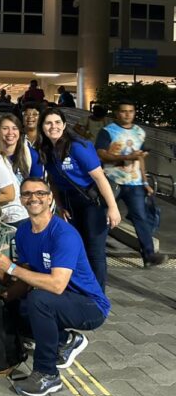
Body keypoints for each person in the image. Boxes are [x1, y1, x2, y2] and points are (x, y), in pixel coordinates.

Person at [0, 178, 110, 396]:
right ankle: (66, 341)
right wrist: (5, 297)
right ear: (21, 200)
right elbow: (28, 278)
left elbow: (56, 285)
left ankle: (48, 375)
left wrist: (11, 269)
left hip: (89, 305)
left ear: (49, 199)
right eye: (27, 194)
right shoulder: (24, 232)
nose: (33, 197)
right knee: (12, 307)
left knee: (39, 301)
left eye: (40, 193)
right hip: (58, 299)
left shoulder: (64, 234)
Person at [38, 108, 121, 289]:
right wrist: (59, 206)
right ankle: (82, 288)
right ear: (42, 127)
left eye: (58, 122)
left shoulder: (77, 146)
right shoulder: (46, 149)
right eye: (48, 123)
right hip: (70, 203)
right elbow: (52, 180)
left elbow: (100, 177)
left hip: (93, 202)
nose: (54, 127)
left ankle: (98, 295)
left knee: (94, 250)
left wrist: (113, 207)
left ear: (65, 125)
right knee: (77, 247)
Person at [96, 100, 167, 267]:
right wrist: (125, 158)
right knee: (104, 218)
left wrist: (145, 181)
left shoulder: (139, 132)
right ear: (116, 113)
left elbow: (140, 157)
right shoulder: (107, 131)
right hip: (112, 181)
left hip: (135, 183)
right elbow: (100, 154)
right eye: (123, 111)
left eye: (131, 111)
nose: (127, 114)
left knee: (140, 218)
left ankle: (149, 255)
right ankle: (95, 252)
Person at [0, 113, 44, 186]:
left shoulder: (31, 155)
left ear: (19, 132)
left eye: (14, 128)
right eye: (5, 128)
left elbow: (37, 185)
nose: (10, 132)